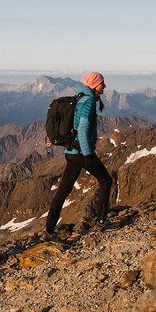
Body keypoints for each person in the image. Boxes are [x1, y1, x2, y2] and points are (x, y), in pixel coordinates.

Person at [44, 72, 114, 239]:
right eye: (102, 83)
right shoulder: (88, 101)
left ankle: (49, 231)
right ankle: (102, 221)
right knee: (106, 181)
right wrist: (88, 154)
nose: (104, 86)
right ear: (94, 84)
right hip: (81, 152)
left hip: (71, 151)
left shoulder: (79, 97)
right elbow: (82, 129)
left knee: (62, 191)